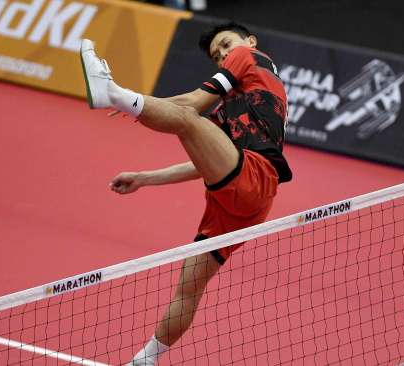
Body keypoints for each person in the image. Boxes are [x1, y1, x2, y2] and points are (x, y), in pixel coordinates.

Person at [80, 22, 292, 365]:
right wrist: (145, 177)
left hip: (254, 177)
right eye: (216, 54)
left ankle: (112, 91)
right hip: (242, 200)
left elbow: (190, 107)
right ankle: (144, 361)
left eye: (225, 45)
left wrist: (128, 99)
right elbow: (211, 163)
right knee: (189, 287)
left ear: (249, 41)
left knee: (191, 120)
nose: (223, 54)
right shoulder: (237, 105)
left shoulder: (248, 56)